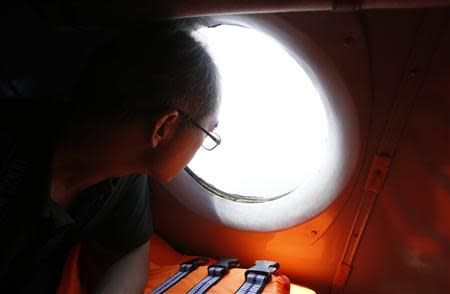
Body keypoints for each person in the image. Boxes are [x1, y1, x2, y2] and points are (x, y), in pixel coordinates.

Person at [0, 21, 221, 293]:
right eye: (208, 134)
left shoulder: (125, 173)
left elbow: (133, 251)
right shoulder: (12, 142)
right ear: (164, 127)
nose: (202, 146)